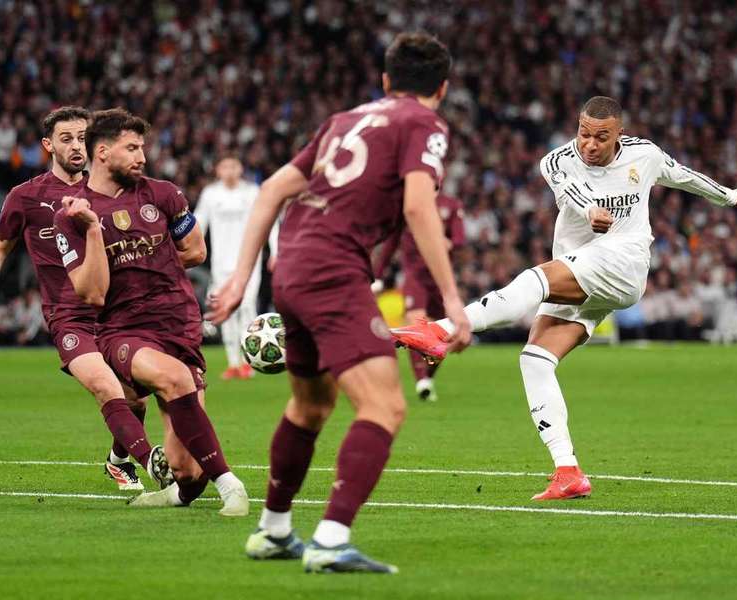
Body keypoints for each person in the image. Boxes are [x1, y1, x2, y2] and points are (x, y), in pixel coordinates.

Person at [393, 96, 737, 501]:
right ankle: (567, 470)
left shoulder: (645, 155)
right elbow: (573, 194)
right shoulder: (556, 161)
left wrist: (730, 196)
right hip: (583, 268)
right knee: (534, 360)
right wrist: (591, 213)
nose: (589, 144)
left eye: (601, 137)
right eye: (584, 133)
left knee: (534, 281)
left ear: (618, 133)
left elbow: (683, 176)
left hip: (623, 262)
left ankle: (441, 331)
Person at [208, 32, 471, 574]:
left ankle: (275, 530)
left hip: (292, 269)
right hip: (333, 271)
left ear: (384, 80)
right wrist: (452, 298)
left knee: (311, 406)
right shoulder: (424, 124)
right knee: (385, 406)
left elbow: (273, 188)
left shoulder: (343, 120)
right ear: (441, 89)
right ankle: (331, 539)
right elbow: (421, 208)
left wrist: (240, 277)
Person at [54, 108, 249, 516]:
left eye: (142, 147)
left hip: (180, 323)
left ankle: (174, 493)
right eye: (132, 148)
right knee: (175, 379)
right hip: (124, 329)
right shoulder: (71, 215)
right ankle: (231, 485)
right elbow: (91, 293)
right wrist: (93, 230)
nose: (142, 156)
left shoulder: (164, 194)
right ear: (103, 152)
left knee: (187, 472)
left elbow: (196, 249)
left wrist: (147, 260)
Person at [0, 106, 167, 491]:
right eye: (66, 139)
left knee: (135, 401)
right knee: (105, 388)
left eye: (81, 138)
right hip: (68, 315)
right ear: (48, 145)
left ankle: (117, 461)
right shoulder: (26, 196)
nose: (76, 146)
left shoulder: (113, 191)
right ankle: (154, 465)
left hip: (116, 312)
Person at [372, 192, 465, 401]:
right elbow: (391, 243)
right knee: (417, 326)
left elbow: (459, 241)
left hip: (441, 279)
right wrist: (376, 275)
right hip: (415, 277)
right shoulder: (409, 205)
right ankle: (421, 380)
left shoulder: (451, 204)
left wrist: (442, 241)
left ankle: (428, 376)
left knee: (445, 334)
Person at [194, 155, 278, 380]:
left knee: (247, 307)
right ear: (218, 170)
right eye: (225, 166)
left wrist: (276, 251)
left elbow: (269, 220)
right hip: (222, 262)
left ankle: (249, 360)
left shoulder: (251, 192)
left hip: (249, 261)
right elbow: (199, 222)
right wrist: (189, 249)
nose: (229, 170)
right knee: (227, 310)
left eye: (233, 166)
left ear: (240, 168)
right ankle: (233, 363)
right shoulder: (211, 194)